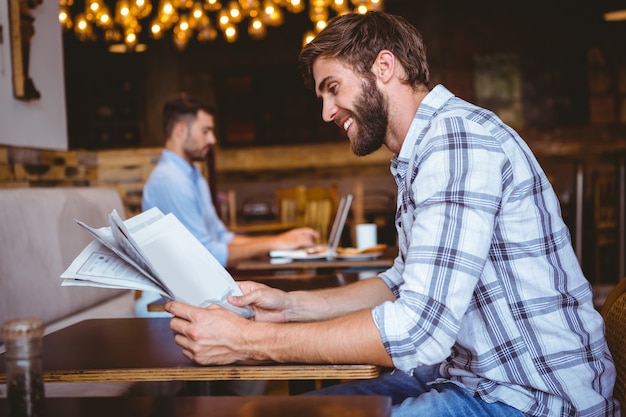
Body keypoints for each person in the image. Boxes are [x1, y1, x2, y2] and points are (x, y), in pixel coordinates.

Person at [164, 12, 618, 416]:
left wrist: (248, 342)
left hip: (534, 397)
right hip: (468, 377)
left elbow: (416, 331)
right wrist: (290, 307)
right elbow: (400, 284)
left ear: (384, 66)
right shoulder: (425, 149)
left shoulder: (456, 142)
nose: (325, 112)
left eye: (333, 88)